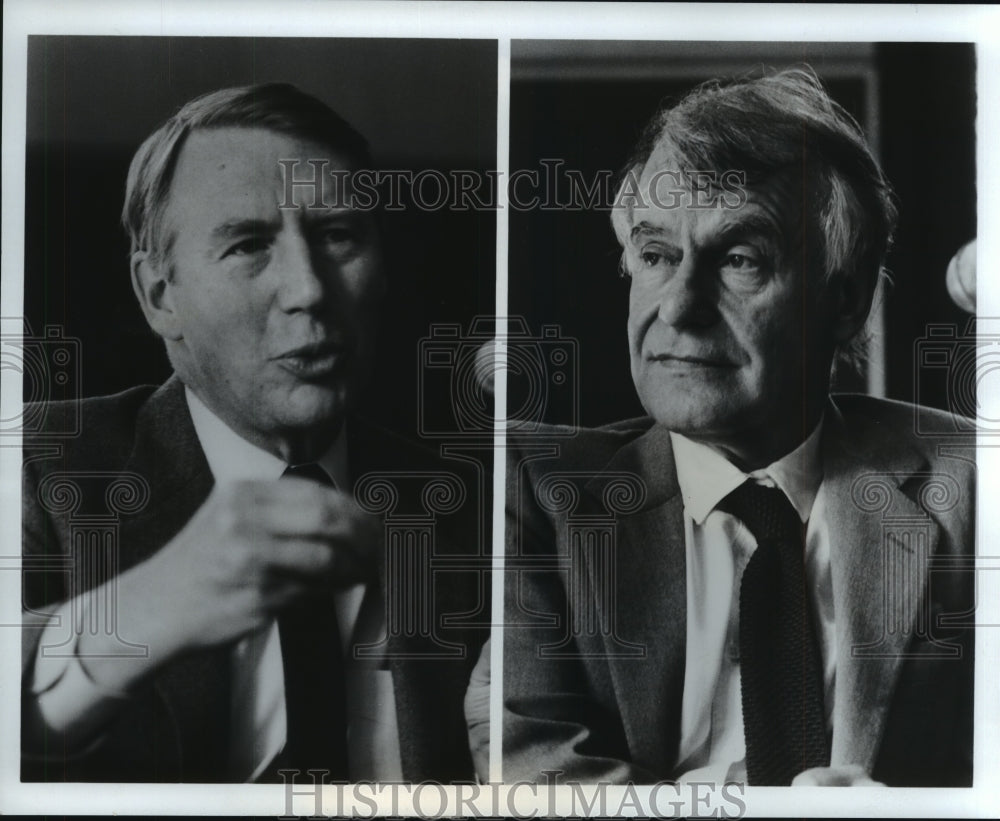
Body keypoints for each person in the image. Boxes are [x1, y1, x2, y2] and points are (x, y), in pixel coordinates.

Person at [494, 67, 974, 788]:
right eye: (655, 256)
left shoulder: (971, 481)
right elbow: (530, 771)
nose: (678, 307)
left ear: (845, 302)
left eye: (740, 260)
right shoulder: (537, 489)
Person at [21, 83, 486, 783]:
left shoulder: (481, 506)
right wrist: (145, 609)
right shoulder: (37, 465)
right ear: (159, 295)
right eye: (248, 245)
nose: (309, 289)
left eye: (338, 236)